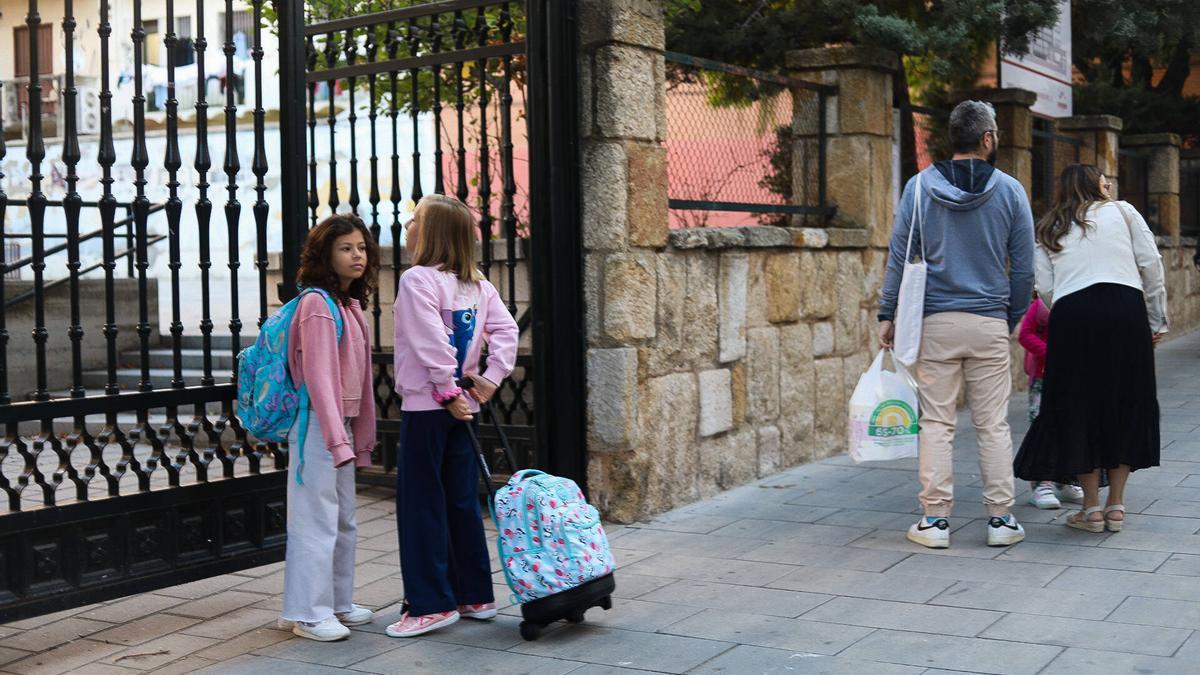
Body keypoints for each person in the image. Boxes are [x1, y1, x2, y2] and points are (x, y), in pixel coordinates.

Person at [879, 100, 1034, 549]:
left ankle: (935, 521)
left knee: (937, 422)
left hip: (936, 321)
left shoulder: (920, 187)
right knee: (992, 424)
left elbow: (898, 255)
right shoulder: (1010, 191)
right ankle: (1001, 521)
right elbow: (1023, 267)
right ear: (987, 139)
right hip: (988, 321)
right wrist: (1010, 315)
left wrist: (887, 313)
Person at [387, 194, 519, 638]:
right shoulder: (478, 285)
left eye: (414, 220)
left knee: (421, 504)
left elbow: (429, 341)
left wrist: (446, 391)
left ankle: (429, 604)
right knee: (461, 500)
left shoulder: (417, 280)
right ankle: (474, 595)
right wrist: (488, 381)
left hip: (431, 406)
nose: (407, 225)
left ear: (430, 234)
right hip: (465, 406)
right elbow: (506, 331)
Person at [1014, 165, 1166, 533]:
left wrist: (1069, 308)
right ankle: (1116, 506)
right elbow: (1151, 264)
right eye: (1103, 179)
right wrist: (1156, 318)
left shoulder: (1048, 227)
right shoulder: (1125, 212)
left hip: (1073, 316)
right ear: (1091, 184)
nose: (1109, 184)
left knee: (1077, 405)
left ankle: (1091, 509)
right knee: (1125, 400)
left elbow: (1046, 287)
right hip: (1124, 309)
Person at [278, 214, 380, 642]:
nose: (357, 255)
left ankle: (336, 602)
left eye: (360, 248)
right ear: (325, 255)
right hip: (318, 425)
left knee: (343, 520)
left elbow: (362, 381)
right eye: (345, 248)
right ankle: (307, 613)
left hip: (341, 424)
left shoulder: (348, 304)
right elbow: (319, 379)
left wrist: (361, 436)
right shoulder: (317, 304)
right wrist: (338, 438)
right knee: (314, 518)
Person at [1017, 293, 1085, 509]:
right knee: (1042, 429)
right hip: (1043, 378)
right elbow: (1025, 334)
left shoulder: (1082, 299)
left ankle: (1065, 480)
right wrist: (1052, 353)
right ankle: (1040, 485)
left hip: (1074, 378)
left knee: (1071, 428)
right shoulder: (1042, 304)